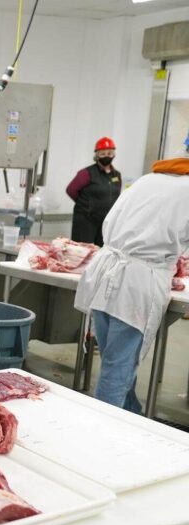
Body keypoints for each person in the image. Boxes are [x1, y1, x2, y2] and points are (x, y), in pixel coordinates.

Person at [74, 131, 189, 414]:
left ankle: (131, 417)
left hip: (105, 274)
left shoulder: (148, 179)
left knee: (117, 361)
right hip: (137, 284)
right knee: (117, 368)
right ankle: (104, 438)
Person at [65, 137, 122, 246]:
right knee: (81, 251)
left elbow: (116, 194)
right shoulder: (86, 173)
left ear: (114, 154)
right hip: (86, 220)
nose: (106, 156)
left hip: (105, 221)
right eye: (103, 153)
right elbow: (71, 190)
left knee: (101, 252)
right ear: (96, 155)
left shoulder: (116, 175)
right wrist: (86, 205)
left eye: (110, 153)